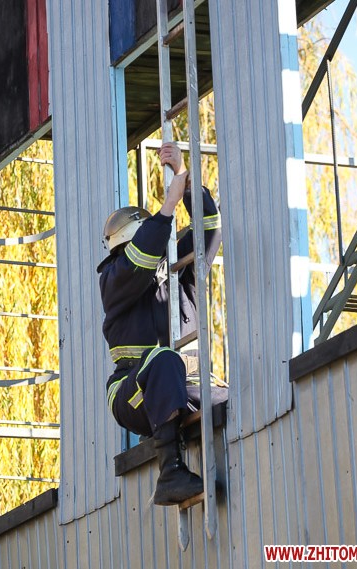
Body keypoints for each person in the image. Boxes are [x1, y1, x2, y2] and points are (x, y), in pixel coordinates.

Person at [96, 142, 223, 505]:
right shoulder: (114, 277)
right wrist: (168, 204)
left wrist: (185, 179)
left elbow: (209, 230)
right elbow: (140, 259)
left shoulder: (179, 275)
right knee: (164, 359)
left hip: (181, 384)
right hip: (131, 393)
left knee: (228, 395)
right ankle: (170, 473)